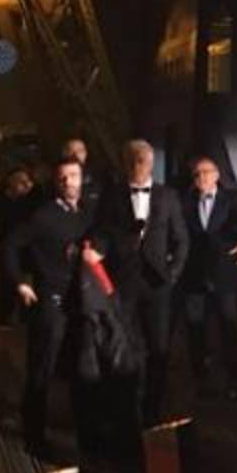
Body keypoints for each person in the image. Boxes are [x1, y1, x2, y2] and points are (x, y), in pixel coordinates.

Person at [86, 139, 188, 428]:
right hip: (124, 282)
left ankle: (153, 408)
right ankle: (127, 407)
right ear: (123, 162)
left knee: (159, 348)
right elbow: (102, 231)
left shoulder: (167, 196)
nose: (136, 166)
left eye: (141, 160)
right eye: (131, 160)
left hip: (157, 285)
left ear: (151, 163)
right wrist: (98, 250)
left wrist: (173, 273)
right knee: (126, 346)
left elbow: (181, 239)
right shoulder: (111, 196)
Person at [0, 157, 95, 457]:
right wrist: (19, 283)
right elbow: (9, 246)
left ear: (82, 178)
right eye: (63, 176)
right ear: (56, 181)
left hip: (83, 302)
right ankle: (34, 439)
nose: (68, 181)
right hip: (52, 302)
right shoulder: (43, 216)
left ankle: (86, 437)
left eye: (74, 175)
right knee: (42, 370)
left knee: (83, 370)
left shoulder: (90, 213)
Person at [179, 157, 237, 400]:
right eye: (197, 173)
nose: (201, 177)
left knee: (227, 326)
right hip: (194, 274)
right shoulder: (185, 201)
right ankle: (201, 379)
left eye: (206, 172)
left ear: (217, 175)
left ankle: (234, 379)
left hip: (222, 272)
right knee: (195, 327)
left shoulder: (231, 199)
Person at [0, 166, 42, 325]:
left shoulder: (34, 201)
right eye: (21, 181)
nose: (26, 185)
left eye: (28, 181)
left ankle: (29, 317)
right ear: (9, 183)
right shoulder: (0, 201)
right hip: (10, 249)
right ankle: (6, 319)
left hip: (30, 251)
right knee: (8, 286)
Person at [60, 137, 104, 216]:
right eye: (71, 151)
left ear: (85, 153)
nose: (76, 154)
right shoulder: (58, 178)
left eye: (80, 151)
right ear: (64, 153)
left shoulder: (98, 176)